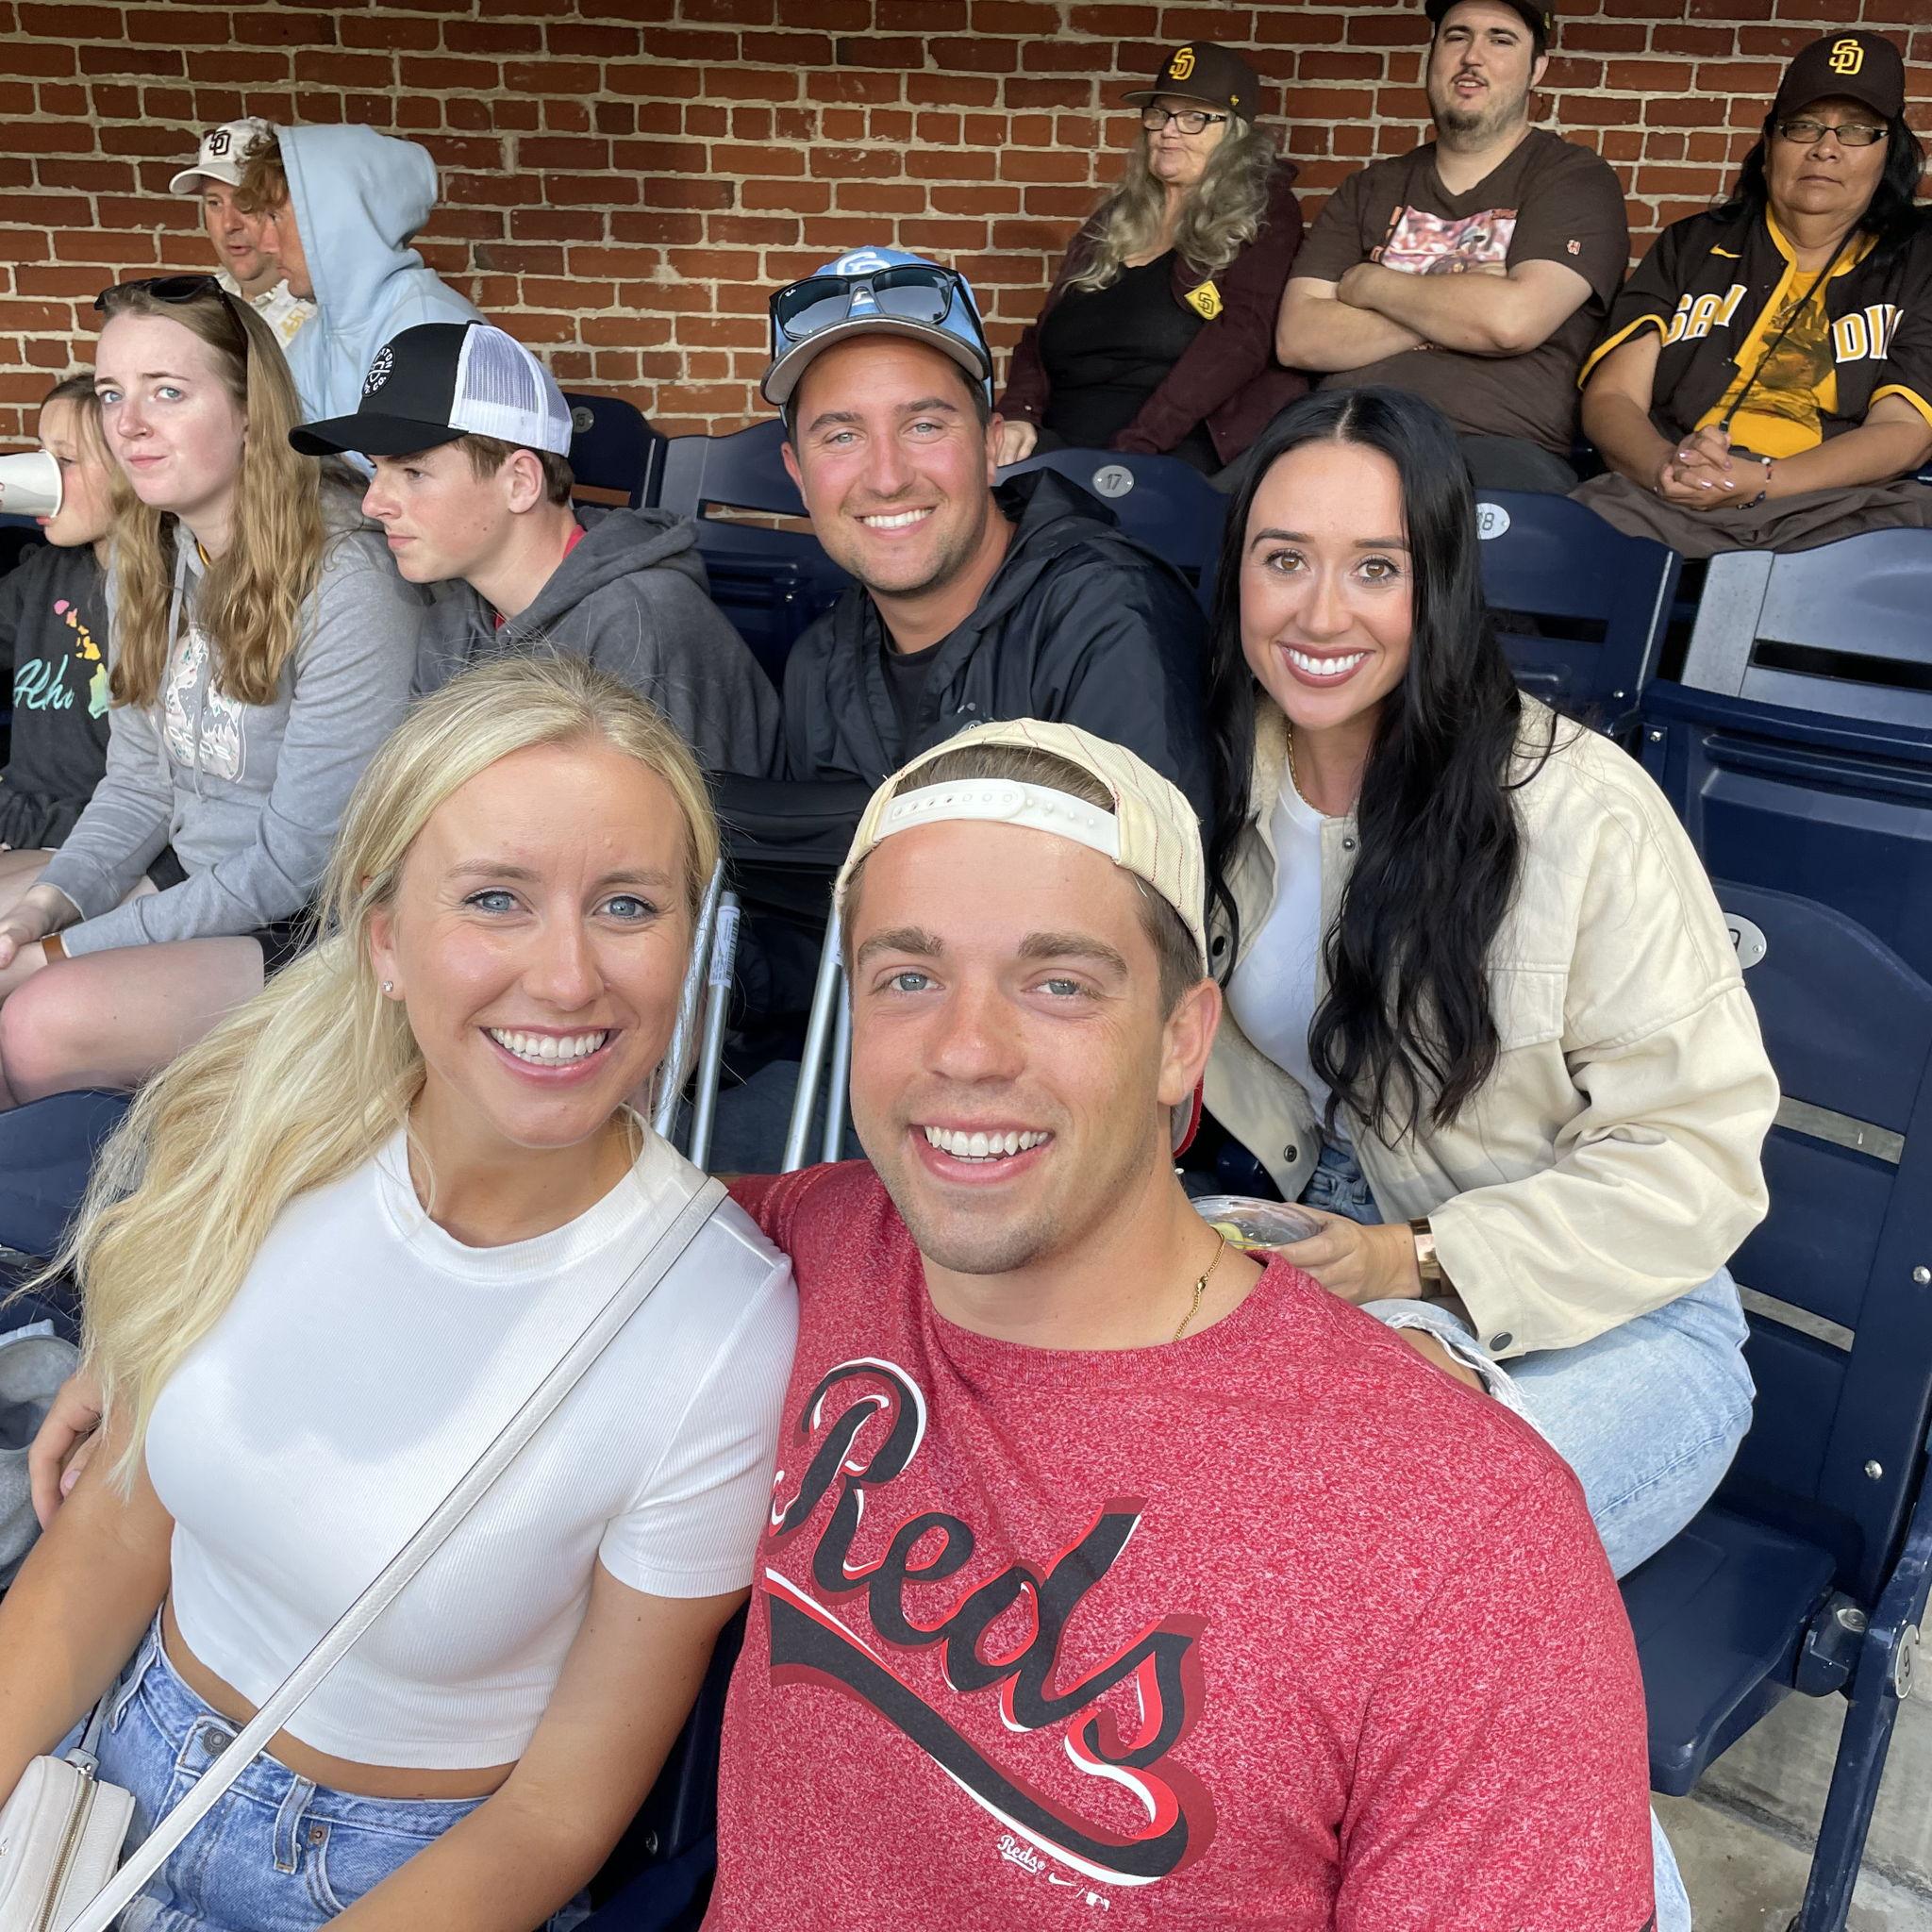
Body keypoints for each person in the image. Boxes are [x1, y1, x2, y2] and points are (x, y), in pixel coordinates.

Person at [700, 717, 1664, 1927]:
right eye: (908, 976)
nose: (963, 1049)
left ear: (1180, 1041)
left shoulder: (1466, 1538)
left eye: (1057, 982)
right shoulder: (817, 1240)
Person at [0, 655, 795, 1932]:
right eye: (495, 898)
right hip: (100, 1778)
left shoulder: (724, 1329)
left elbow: (555, 1817)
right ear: (384, 942)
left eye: (629, 906)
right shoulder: (264, 1137)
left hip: (391, 1881)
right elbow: (105, 1549)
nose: (569, 975)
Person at [1201, 385, 1778, 1583]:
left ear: (1441, 586)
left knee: (1392, 1564)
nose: (1319, 611)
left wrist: (1408, 1259)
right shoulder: (1210, 778)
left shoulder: (1578, 806)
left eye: (1376, 567)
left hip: (1616, 1308)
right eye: (1283, 559)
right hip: (1343, 1244)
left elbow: (1694, 1156)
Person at [0, 277, 422, 1108]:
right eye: (115, 393)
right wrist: (48, 908)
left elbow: (296, 863)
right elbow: (137, 785)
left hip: (324, 925)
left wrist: (60, 953)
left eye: (168, 392)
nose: (129, 424)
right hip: (195, 874)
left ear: (250, 412)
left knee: (37, 1014)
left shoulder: (349, 578)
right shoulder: (147, 558)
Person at [769, 246, 1212, 819]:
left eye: (924, 426)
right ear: (797, 474)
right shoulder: (819, 663)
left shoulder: (1107, 621)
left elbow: (1142, 897)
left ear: (989, 446)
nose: (887, 478)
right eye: (842, 437)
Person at [291, 320, 781, 776]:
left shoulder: (639, 622)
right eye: (377, 470)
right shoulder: (453, 618)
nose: (374, 504)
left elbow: (683, 850)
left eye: (413, 472)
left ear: (521, 483)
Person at [1575, 29, 1932, 556]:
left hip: (1838, 509)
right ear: (1769, 146)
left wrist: (1766, 481)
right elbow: (1613, 395)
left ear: (1889, 154)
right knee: (1557, 541)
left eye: (1857, 131)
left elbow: (1904, 429)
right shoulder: (1692, 243)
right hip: (1668, 499)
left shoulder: (1920, 258)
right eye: (1803, 127)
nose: (1826, 149)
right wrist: (1664, 467)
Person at [1274, 0, 1628, 491]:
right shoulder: (1372, 186)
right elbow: (1300, 338)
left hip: (1489, 449)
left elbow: (1509, 323)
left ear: (1537, 69)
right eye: (1456, 37)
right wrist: (1462, 299)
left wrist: (1368, 282)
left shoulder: (1573, 181)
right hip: (1337, 431)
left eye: (1500, 40)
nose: (1472, 57)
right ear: (1433, 54)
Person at [994, 42, 1306, 476]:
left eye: (1195, 117)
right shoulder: (1117, 216)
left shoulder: (1265, 213)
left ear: (1235, 133)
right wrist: (1018, 412)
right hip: (1062, 442)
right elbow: (1041, 334)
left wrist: (1135, 448)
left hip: (1172, 451)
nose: (1168, 131)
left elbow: (1242, 340)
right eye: (1160, 114)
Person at [231, 124, 482, 425]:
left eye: (275, 217)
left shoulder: (431, 330)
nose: (265, 244)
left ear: (337, 219)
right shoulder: (320, 335)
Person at [0, 378, 116, 888]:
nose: (45, 475)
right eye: (40, 455)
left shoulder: (173, 592)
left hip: (87, 839)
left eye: (65, 460)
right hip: (15, 820)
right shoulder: (44, 573)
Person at [167, 119, 314, 350]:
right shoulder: (201, 302)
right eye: (214, 203)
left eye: (246, 202)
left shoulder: (320, 312)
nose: (228, 224)